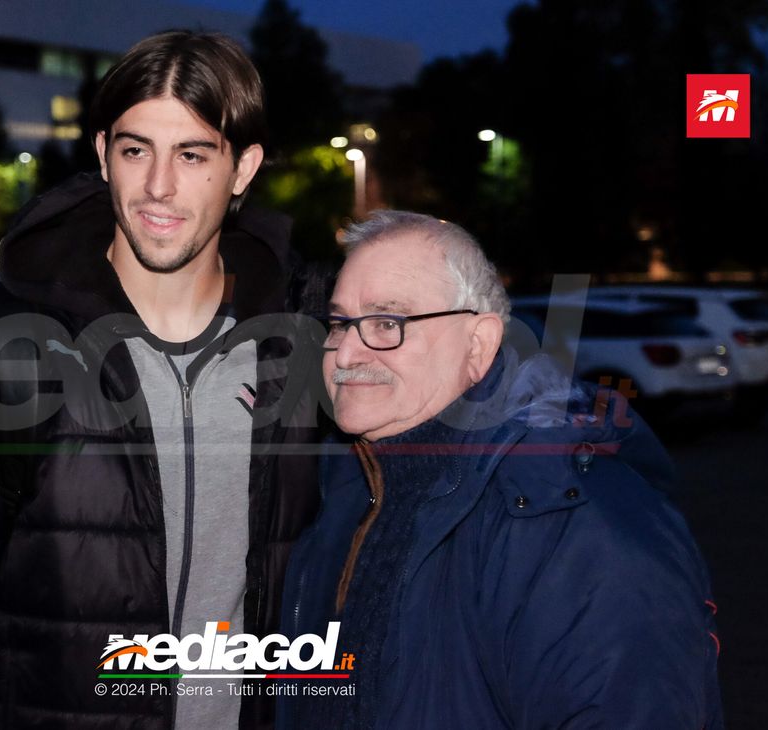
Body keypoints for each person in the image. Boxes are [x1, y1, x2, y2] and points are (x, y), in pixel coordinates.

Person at [0, 30, 323, 729]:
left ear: (244, 169)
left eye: (193, 154)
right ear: (102, 155)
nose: (158, 186)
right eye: (135, 149)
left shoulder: (298, 345)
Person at [278, 211, 723, 729]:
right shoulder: (354, 485)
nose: (345, 351)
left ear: (479, 344)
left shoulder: (575, 521)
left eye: (387, 323)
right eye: (339, 322)